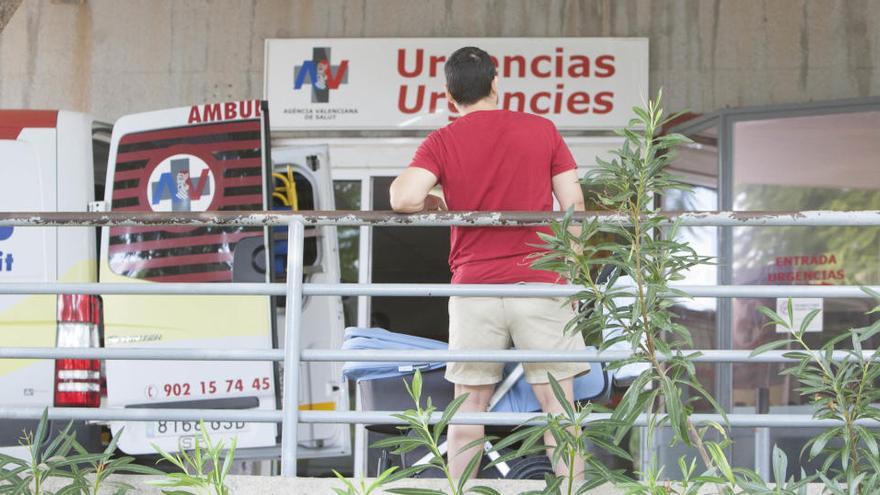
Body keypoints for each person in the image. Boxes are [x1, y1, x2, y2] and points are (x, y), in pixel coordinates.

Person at [389, 46, 588, 479]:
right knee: (558, 404)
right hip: (541, 281)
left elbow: (402, 198)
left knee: (469, 405)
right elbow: (573, 204)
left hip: (474, 287)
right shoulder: (541, 129)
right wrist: (570, 277)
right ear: (497, 84)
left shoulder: (443, 140)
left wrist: (438, 196)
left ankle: (459, 490)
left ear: (448, 97)